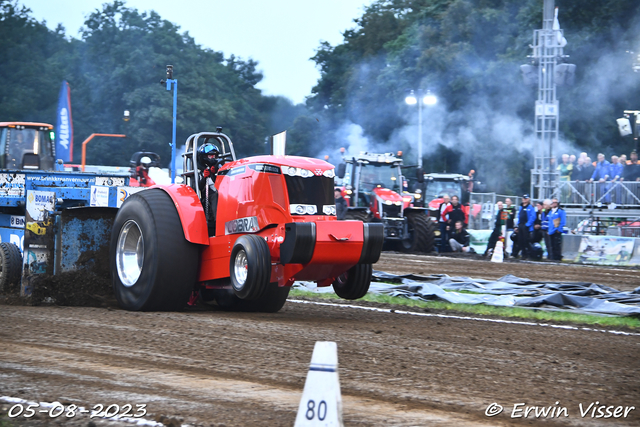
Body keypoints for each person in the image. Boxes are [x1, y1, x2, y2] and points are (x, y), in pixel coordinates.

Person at [197, 143, 221, 235]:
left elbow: (224, 183)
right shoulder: (198, 171)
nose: (212, 158)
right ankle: (218, 221)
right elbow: (197, 188)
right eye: (210, 155)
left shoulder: (219, 167)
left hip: (222, 192)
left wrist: (214, 174)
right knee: (216, 195)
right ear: (204, 157)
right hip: (206, 197)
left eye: (214, 155)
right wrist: (204, 177)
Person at [515, 194, 535, 259]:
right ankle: (523, 254)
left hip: (526, 226)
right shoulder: (521, 207)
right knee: (520, 240)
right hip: (520, 225)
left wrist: (527, 224)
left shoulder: (530, 207)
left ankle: (529, 254)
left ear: (528, 199)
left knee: (526, 240)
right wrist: (518, 225)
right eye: (523, 198)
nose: (524, 199)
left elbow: (533, 217)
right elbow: (519, 216)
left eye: (526, 198)